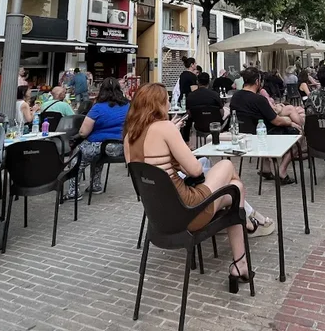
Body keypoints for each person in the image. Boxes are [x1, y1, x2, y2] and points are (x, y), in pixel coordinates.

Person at [124, 83, 267, 289]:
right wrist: (174, 136)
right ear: (159, 104)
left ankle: (241, 260)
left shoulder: (128, 137)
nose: (168, 105)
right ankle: (242, 249)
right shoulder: (165, 128)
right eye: (166, 101)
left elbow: (156, 171)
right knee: (227, 168)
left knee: (235, 191)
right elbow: (195, 170)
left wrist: (171, 151)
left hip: (158, 217)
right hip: (188, 211)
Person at [65, 77, 131, 198]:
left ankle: (73, 192)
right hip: (121, 147)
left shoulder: (98, 107)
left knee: (78, 157)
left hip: (100, 145)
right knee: (96, 155)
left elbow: (83, 132)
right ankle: (95, 185)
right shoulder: (128, 106)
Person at [229, 68, 297, 183]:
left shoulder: (235, 97)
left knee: (261, 128)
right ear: (257, 81)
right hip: (261, 136)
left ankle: (266, 169)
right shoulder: (259, 99)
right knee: (297, 136)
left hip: (243, 135)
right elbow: (277, 121)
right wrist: (290, 122)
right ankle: (282, 171)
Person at [184, 72, 224, 139]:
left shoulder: (190, 96)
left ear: (197, 82)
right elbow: (221, 113)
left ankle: (186, 140)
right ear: (209, 82)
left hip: (198, 125)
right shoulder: (215, 95)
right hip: (215, 125)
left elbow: (189, 114)